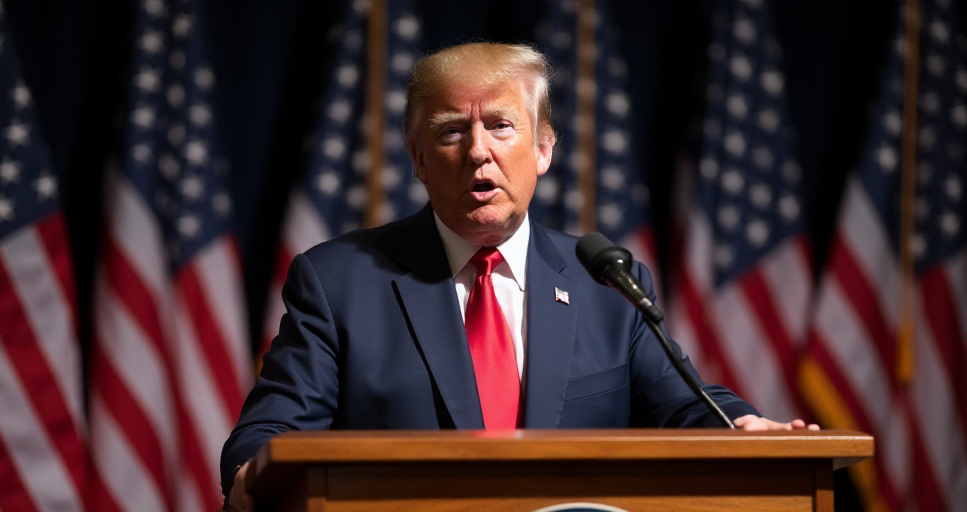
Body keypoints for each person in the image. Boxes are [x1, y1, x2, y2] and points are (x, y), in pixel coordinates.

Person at [221, 42, 818, 511]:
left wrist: (742, 424)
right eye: (453, 130)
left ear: (543, 149)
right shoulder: (339, 282)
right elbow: (270, 429)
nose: (479, 151)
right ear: (419, 160)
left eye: (502, 126)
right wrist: (253, 471)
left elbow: (682, 403)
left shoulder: (604, 281)